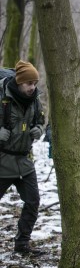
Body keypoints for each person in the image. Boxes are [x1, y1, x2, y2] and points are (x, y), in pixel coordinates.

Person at [0, 60, 45, 256]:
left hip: (25, 161)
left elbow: (43, 121)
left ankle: (22, 243)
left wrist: (39, 130)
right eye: (28, 83)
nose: (32, 87)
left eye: (34, 83)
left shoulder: (35, 100)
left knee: (33, 202)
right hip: (3, 160)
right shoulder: (3, 99)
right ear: (19, 82)